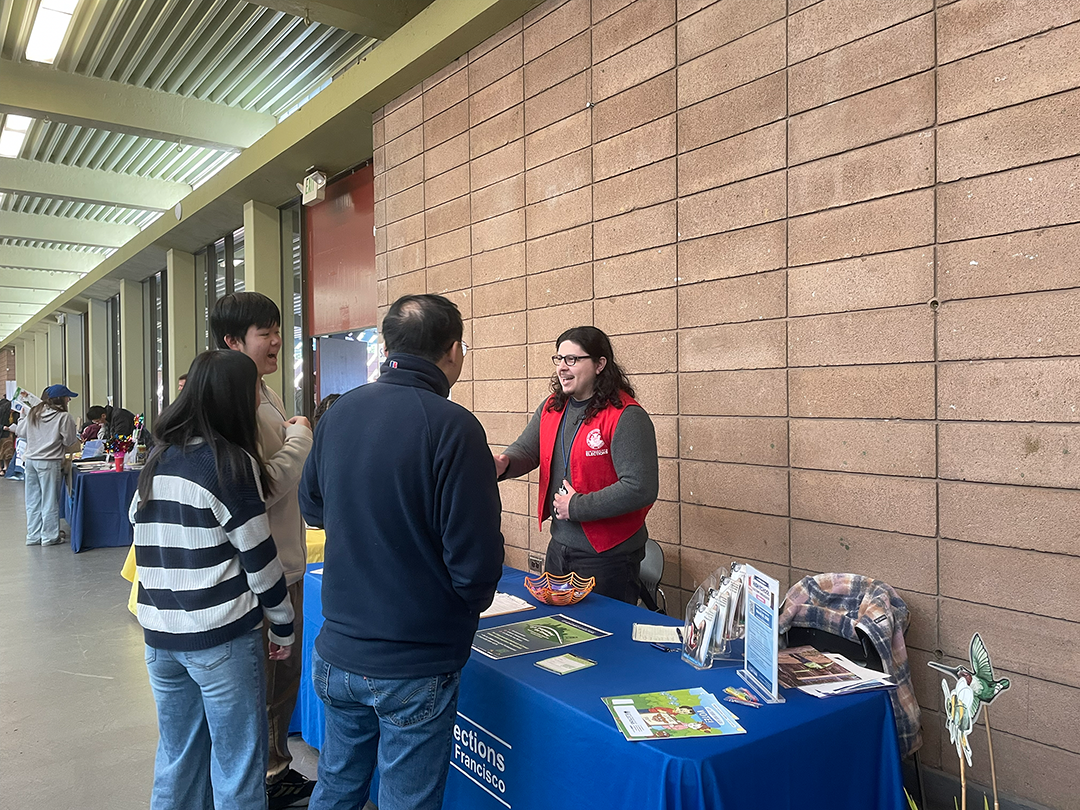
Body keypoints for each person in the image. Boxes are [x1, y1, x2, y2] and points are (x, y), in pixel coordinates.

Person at [299, 294, 504, 810]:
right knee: (405, 801)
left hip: (339, 650)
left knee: (338, 787)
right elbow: (475, 562)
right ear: (454, 350)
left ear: (387, 345)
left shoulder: (339, 414)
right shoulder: (456, 427)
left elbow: (313, 508)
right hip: (415, 662)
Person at [129, 350, 295, 810]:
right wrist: (283, 625)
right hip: (220, 639)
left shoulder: (158, 459)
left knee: (177, 757)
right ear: (234, 398)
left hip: (160, 638)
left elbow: (145, 536)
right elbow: (261, 560)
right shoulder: (230, 463)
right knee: (238, 765)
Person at [211, 291, 314, 810]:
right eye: (264, 333)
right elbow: (257, 491)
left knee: (282, 682)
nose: (276, 340)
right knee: (264, 683)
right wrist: (300, 439)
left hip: (285, 562)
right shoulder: (236, 406)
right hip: (260, 570)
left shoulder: (264, 392)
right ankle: (263, 780)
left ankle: (275, 769)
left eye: (278, 329)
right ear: (232, 341)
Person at [495, 326, 659, 603]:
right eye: (558, 359)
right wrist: (504, 463)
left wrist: (577, 506)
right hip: (559, 548)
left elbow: (640, 487)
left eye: (572, 359)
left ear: (599, 364)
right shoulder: (552, 407)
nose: (562, 367)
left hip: (609, 557)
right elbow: (527, 449)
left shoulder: (626, 416)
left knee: (602, 639)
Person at [8, 384, 78, 546]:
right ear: (61, 399)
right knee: (49, 500)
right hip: (50, 462)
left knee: (33, 500)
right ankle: (49, 536)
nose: (69, 400)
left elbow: (21, 432)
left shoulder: (34, 412)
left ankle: (33, 536)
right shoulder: (64, 417)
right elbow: (69, 441)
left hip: (30, 461)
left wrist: (22, 416)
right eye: (68, 397)